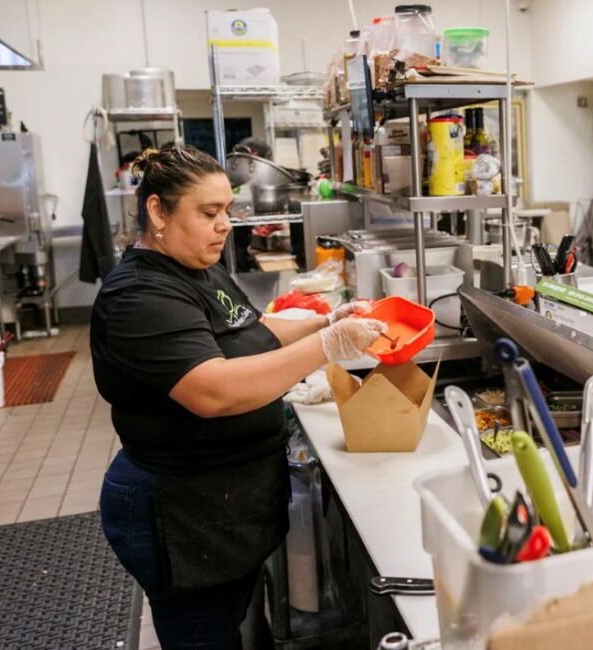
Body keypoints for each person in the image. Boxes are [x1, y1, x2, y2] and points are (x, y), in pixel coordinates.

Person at [90, 143, 387, 649]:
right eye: (209, 213)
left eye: (227, 210)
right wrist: (326, 345)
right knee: (204, 637)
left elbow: (250, 331)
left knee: (235, 626)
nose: (224, 224)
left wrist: (326, 319)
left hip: (223, 506)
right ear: (158, 211)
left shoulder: (200, 268)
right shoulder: (137, 296)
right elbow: (214, 392)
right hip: (181, 514)